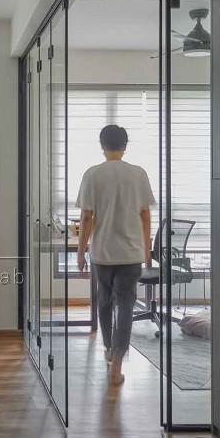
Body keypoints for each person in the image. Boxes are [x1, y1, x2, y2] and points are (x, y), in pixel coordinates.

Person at [75, 125, 155, 386]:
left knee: (105, 302)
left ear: (102, 145)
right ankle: (118, 361)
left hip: (103, 253)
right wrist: (147, 251)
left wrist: (80, 252)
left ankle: (109, 350)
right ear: (125, 145)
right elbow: (145, 215)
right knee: (126, 306)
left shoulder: (92, 174)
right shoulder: (138, 174)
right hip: (131, 252)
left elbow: (86, 217)